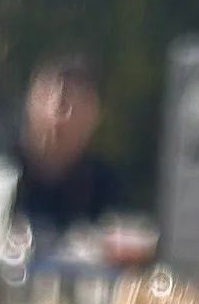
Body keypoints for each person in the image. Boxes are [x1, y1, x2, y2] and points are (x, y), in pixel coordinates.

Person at [13, 52, 121, 239]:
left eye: (77, 104)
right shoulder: (2, 173)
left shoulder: (104, 185)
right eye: (58, 103)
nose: (61, 118)